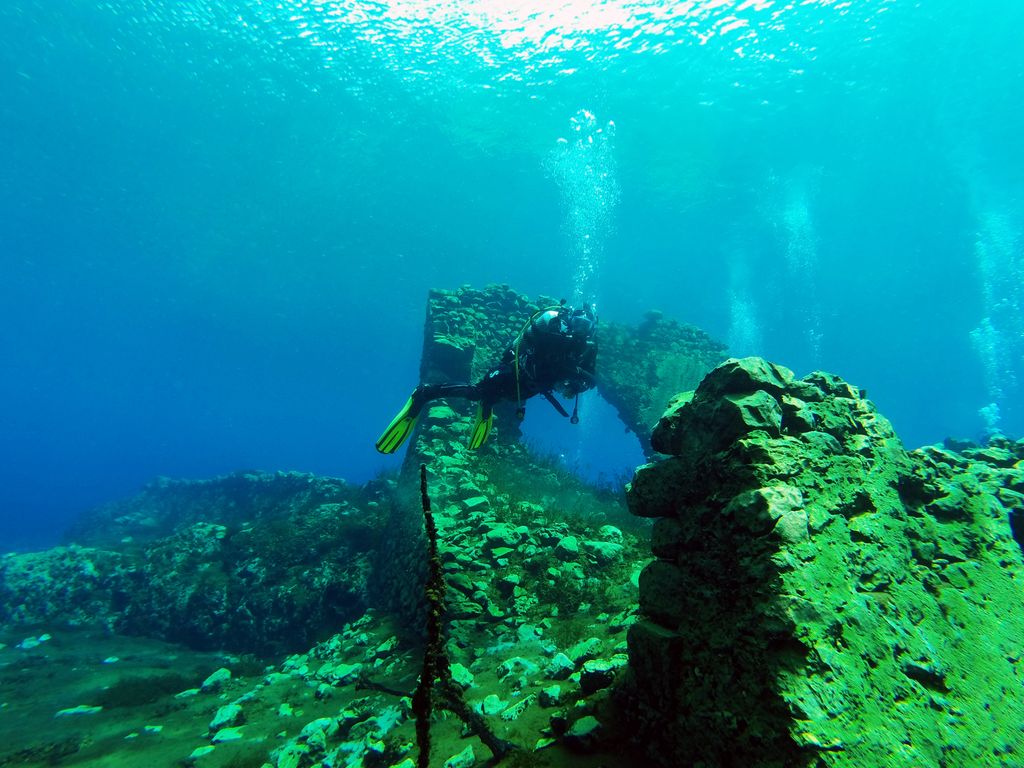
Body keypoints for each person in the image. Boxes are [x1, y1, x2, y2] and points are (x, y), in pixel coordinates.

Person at [376, 300, 598, 453]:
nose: (580, 330)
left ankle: (488, 402)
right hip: (515, 371)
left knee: (505, 397)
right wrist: (508, 362)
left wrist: (574, 387)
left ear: (591, 329)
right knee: (478, 392)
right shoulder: (552, 325)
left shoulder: (588, 348)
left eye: (585, 326)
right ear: (570, 320)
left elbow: (589, 379)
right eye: (578, 323)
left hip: (534, 385)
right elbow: (528, 345)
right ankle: (424, 393)